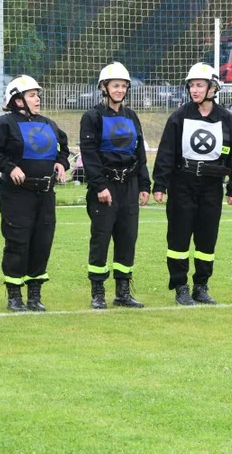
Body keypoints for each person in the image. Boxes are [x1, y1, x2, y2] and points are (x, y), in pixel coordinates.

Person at [152, 63, 232, 306]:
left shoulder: (225, 119)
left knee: (206, 240)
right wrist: (159, 185)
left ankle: (201, 286)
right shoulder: (179, 117)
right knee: (179, 239)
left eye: (199, 85)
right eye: (192, 85)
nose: (194, 90)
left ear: (212, 88)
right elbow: (166, 153)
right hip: (182, 184)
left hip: (212, 187)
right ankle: (180, 286)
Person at [0, 75, 69, 312]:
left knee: (42, 242)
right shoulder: (5, 124)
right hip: (18, 195)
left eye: (37, 94)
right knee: (18, 242)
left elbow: (63, 147)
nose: (37, 99)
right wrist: (9, 166)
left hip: (46, 193)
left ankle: (35, 294)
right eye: (31, 95)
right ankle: (14, 295)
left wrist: (61, 163)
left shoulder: (48, 123)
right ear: (18, 100)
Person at [77, 63, 151, 309]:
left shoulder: (131, 116)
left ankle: (122, 290)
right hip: (105, 184)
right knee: (101, 238)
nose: (120, 90)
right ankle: (97, 291)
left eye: (123, 86)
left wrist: (144, 184)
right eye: (115, 85)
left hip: (129, 184)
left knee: (128, 237)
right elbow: (89, 155)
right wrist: (99, 186)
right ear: (104, 88)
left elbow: (139, 153)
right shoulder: (92, 117)